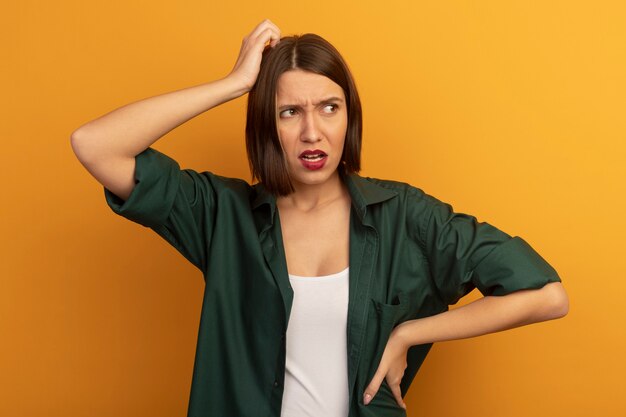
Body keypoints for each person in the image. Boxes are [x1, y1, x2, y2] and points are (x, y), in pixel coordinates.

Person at [71, 19, 569, 417]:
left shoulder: (404, 217)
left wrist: (411, 333)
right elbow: (95, 146)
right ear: (269, 125)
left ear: (348, 116)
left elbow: (546, 295)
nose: (312, 131)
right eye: (290, 112)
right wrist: (234, 84)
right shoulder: (224, 217)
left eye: (329, 108)